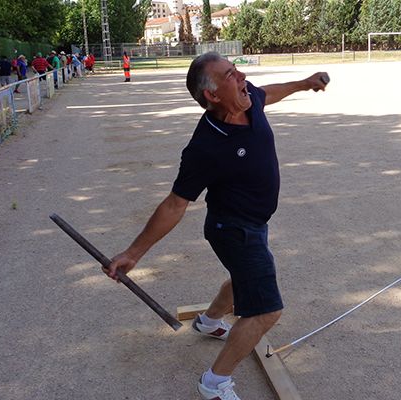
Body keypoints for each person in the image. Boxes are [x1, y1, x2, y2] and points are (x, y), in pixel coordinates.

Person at [106, 52, 328, 400]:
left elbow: (267, 93)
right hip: (233, 229)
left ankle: (208, 322)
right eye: (230, 74)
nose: (241, 76)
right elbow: (175, 203)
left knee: (244, 280)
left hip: (254, 222)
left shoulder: (247, 96)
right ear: (211, 95)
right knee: (267, 310)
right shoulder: (205, 146)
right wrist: (133, 253)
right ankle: (214, 382)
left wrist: (303, 84)